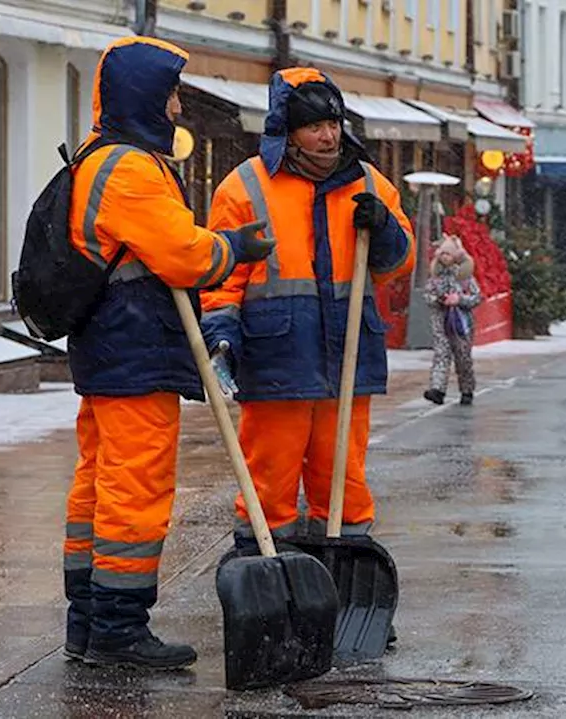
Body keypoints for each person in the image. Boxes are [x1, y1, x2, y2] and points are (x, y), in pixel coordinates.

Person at [61, 36, 275, 670]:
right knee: (135, 486)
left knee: (98, 487)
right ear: (145, 96)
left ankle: (88, 621)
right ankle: (119, 631)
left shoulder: (100, 158)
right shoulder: (128, 168)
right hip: (135, 349)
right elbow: (187, 256)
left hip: (109, 346)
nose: (179, 106)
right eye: (172, 93)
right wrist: (234, 248)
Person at [200, 67, 416, 548]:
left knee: (343, 478)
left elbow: (400, 263)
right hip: (277, 357)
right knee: (269, 478)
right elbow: (222, 276)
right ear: (288, 131)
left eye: (334, 124)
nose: (328, 136)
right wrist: (221, 335)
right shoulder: (244, 189)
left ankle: (345, 567)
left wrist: (383, 227)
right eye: (315, 126)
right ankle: (266, 569)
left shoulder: (368, 185)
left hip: (347, 356)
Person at [423, 234, 482, 406]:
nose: (445, 257)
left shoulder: (465, 278)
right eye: (442, 253)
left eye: (448, 253)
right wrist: (438, 300)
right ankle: (437, 389)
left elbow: (477, 297)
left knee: (463, 357)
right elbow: (428, 295)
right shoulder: (435, 277)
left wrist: (460, 300)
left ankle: (467, 389)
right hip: (440, 322)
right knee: (441, 354)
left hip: (461, 324)